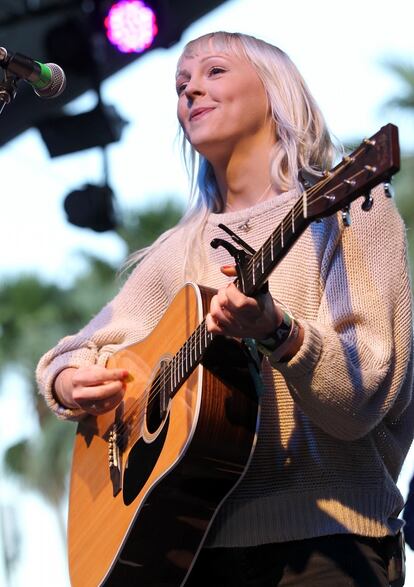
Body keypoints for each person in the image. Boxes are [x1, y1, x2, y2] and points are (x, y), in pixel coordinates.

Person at [36, 32, 414, 586]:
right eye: (180, 83)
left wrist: (281, 333)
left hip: (331, 547)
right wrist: (68, 380)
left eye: (214, 71)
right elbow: (75, 351)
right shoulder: (174, 253)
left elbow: (362, 401)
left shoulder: (351, 210)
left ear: (275, 92)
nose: (190, 89)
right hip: (190, 553)